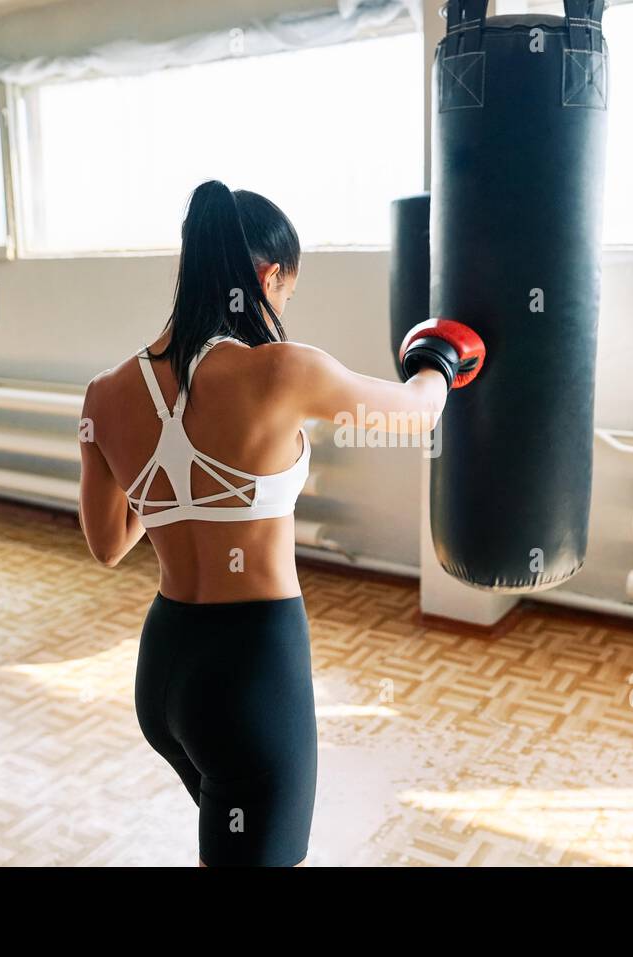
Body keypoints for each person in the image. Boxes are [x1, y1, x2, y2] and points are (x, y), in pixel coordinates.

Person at [77, 180, 483, 867]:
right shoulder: (282, 371)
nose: (284, 306)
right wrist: (439, 359)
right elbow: (416, 413)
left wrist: (172, 474)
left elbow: (110, 543)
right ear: (270, 276)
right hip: (252, 678)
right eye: (287, 292)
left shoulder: (105, 393)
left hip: (166, 675)